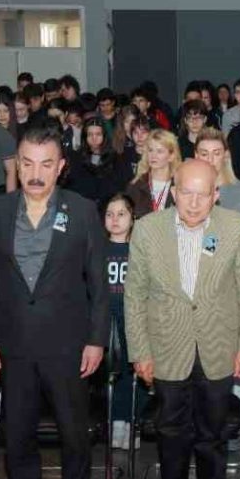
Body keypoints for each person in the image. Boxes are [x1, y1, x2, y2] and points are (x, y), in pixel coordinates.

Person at [0, 123, 110, 479]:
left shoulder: (83, 210)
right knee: (16, 436)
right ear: (18, 163)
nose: (36, 174)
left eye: (46, 164)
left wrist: (97, 339)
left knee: (74, 435)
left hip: (69, 345)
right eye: (28, 163)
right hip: (12, 345)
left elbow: (99, 285)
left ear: (61, 166)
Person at [126, 159, 240, 479]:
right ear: (173, 192)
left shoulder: (234, 226)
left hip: (219, 346)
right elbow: (134, 296)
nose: (195, 203)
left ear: (216, 195)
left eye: (204, 194)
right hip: (167, 348)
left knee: (213, 433)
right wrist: (140, 352)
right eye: (187, 193)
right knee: (170, 432)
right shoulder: (147, 229)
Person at [102, 193, 148, 453]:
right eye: (109, 214)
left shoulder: (139, 251)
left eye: (121, 214)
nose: (115, 219)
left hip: (133, 320)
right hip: (105, 321)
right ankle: (115, 422)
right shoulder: (97, 250)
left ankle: (133, 423)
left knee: (134, 372)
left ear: (133, 219)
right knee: (111, 371)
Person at [191, 127, 240, 260]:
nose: (210, 159)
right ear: (196, 156)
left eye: (216, 153)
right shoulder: (187, 192)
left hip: (235, 266)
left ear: (225, 155)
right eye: (204, 154)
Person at [126, 129, 181, 219]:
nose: (153, 155)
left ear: (171, 156)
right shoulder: (135, 186)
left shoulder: (180, 185)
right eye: (150, 150)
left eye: (159, 151)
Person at [67, 118, 123, 204]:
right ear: (85, 137)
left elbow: (117, 186)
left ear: (104, 136)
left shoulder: (115, 158)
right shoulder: (76, 157)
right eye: (90, 134)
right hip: (81, 203)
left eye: (98, 134)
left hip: (107, 204)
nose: (94, 138)